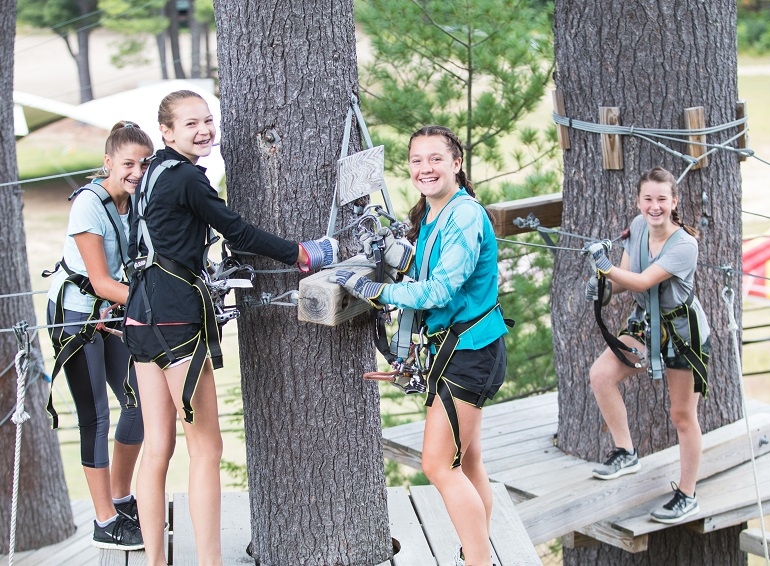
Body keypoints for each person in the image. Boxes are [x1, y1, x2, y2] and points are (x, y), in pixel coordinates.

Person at [123, 90, 338, 566]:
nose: (204, 131)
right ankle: (210, 562)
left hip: (140, 314)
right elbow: (236, 231)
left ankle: (155, 560)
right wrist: (301, 253)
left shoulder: (151, 173)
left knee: (158, 445)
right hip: (177, 319)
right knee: (206, 446)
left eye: (208, 121)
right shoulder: (187, 179)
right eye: (191, 124)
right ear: (167, 130)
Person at [335, 125, 509, 566]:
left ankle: (477, 560)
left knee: (438, 466)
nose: (425, 168)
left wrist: (373, 291)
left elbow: (439, 292)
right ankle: (476, 552)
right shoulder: (433, 214)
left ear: (457, 163)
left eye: (435, 159)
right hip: (462, 350)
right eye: (416, 160)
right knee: (467, 465)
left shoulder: (465, 215)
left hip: (469, 354)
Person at [45, 121, 154, 550]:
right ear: (108, 162)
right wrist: (160, 306)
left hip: (115, 314)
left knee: (140, 402)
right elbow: (101, 280)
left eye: (144, 164)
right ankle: (104, 522)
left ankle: (121, 496)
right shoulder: (89, 205)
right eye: (127, 163)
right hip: (77, 317)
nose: (136, 172)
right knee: (95, 417)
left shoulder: (137, 203)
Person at [583, 166, 710, 524]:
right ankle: (625, 451)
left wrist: (603, 266)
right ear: (639, 201)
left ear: (674, 202)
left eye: (662, 200)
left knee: (682, 416)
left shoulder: (685, 244)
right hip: (646, 325)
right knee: (601, 374)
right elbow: (624, 281)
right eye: (648, 199)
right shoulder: (638, 229)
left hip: (682, 333)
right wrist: (603, 289)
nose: (654, 207)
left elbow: (640, 282)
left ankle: (687, 494)